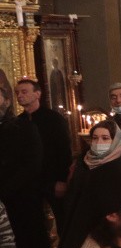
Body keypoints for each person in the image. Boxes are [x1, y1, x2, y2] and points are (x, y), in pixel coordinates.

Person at [0, 82, 50, 248]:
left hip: (22, 199)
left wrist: (6, 189)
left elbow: (33, 164)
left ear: (6, 101)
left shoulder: (23, 127)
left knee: (33, 247)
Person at [14, 78, 71, 229]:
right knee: (34, 224)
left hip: (53, 179)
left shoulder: (53, 118)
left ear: (37, 94)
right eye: (17, 93)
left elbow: (64, 150)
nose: (20, 96)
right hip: (30, 183)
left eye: (24, 92)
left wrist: (63, 180)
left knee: (63, 222)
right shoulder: (17, 122)